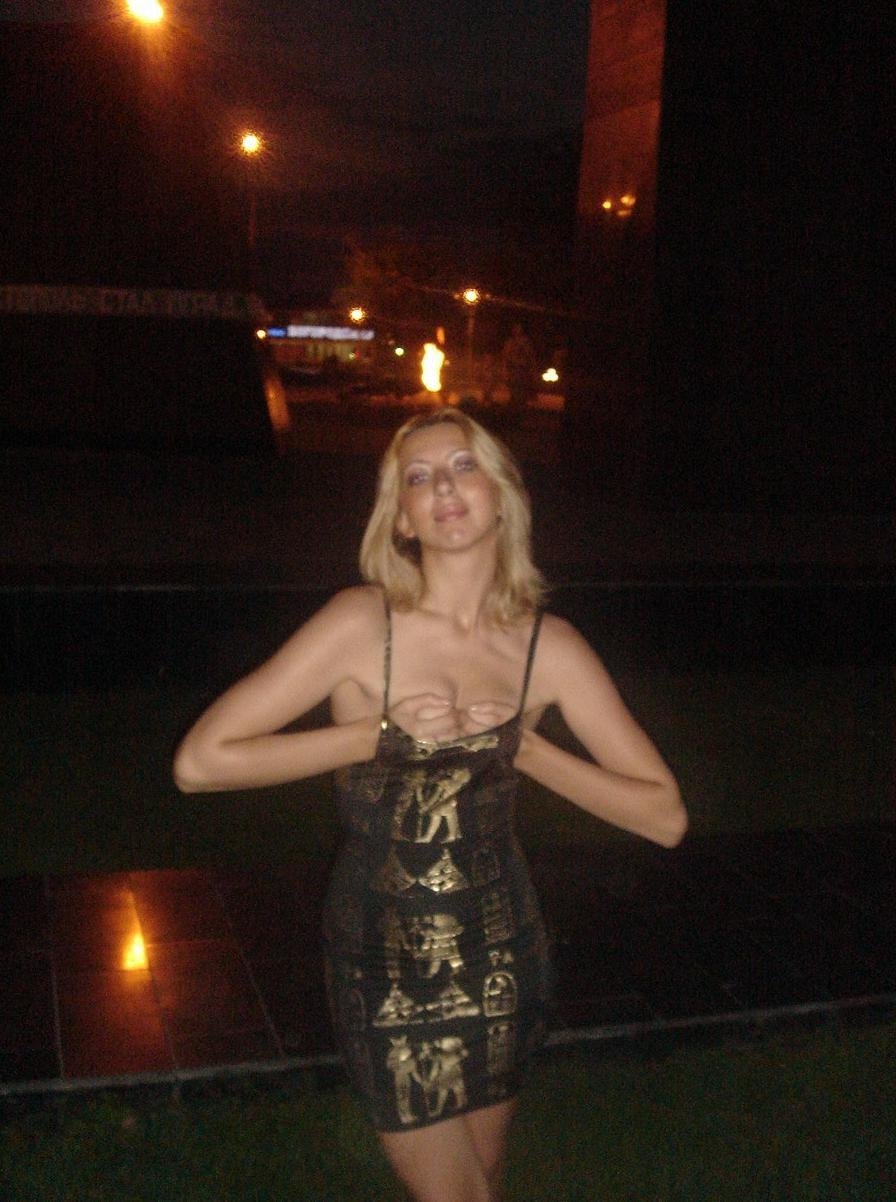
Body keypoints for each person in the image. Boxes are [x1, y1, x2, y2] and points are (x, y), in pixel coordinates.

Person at [173, 408, 686, 1202]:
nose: (443, 486)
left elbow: (664, 817)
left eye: (463, 466)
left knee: (485, 1178)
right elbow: (201, 763)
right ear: (403, 518)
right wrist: (373, 737)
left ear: (502, 496)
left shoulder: (550, 646)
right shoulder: (360, 622)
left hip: (503, 954)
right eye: (419, 477)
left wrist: (530, 750)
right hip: (382, 961)